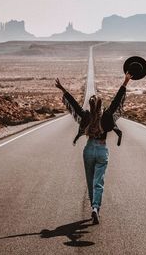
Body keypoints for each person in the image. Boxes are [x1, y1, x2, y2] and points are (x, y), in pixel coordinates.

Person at [55, 72, 132, 224]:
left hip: (88, 150)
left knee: (90, 181)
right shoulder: (108, 116)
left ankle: (93, 205)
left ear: (90, 106)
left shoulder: (85, 117)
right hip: (102, 150)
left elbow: (74, 105)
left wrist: (62, 89)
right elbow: (117, 101)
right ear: (101, 104)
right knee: (99, 182)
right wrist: (125, 81)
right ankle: (95, 207)